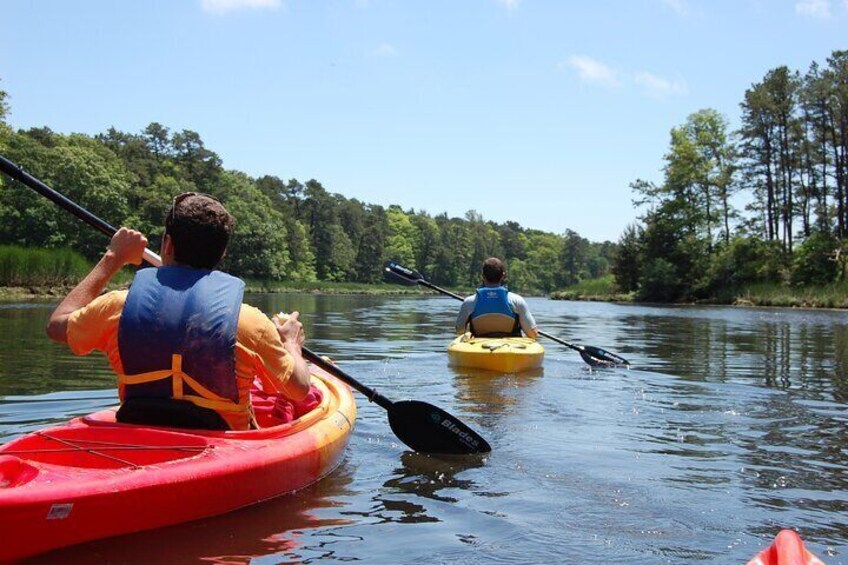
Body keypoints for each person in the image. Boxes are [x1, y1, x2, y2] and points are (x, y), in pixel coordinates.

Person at [45, 192, 312, 431]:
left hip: (138, 435)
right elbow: (299, 390)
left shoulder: (116, 306)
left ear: (168, 245)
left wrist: (113, 258)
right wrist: (291, 343)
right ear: (222, 253)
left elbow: (57, 324)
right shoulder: (250, 322)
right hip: (224, 447)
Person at [455, 257, 539, 339]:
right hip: (511, 349)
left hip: (479, 348)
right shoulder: (517, 301)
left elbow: (459, 330)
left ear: (483, 276)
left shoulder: (469, 302)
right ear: (503, 276)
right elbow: (532, 334)